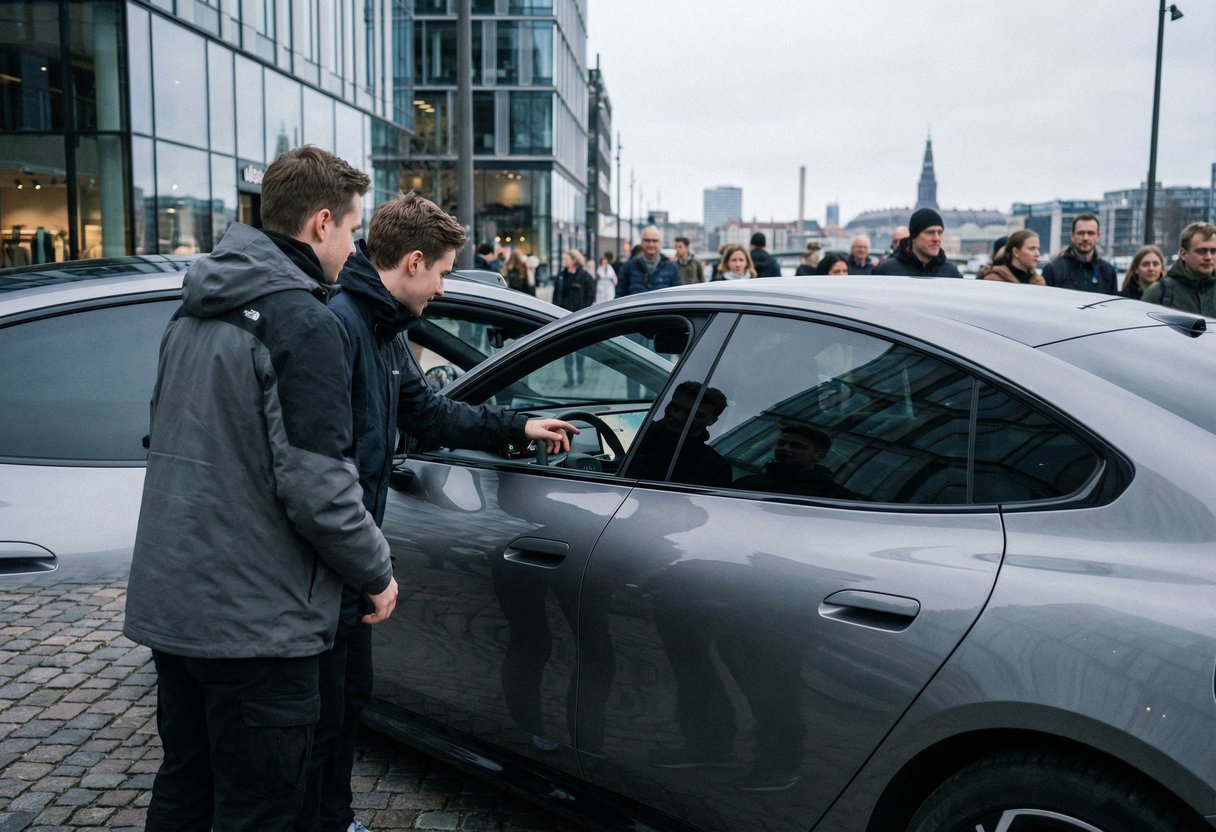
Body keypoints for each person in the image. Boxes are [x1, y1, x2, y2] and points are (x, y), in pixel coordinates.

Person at [123, 146, 399, 832]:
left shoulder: (194, 309)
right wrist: (376, 572)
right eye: (353, 230)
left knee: (186, 789)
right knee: (260, 809)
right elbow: (320, 486)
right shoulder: (300, 321)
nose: (354, 249)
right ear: (321, 223)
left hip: (178, 604)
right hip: (258, 623)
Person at [313, 192, 576, 832]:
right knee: (324, 708)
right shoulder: (342, 327)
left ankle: (330, 817)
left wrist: (517, 426)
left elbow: (429, 414)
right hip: (329, 562)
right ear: (412, 262)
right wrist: (367, 566)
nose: (442, 287)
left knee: (347, 698)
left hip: (347, 556)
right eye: (442, 272)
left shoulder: (381, 328)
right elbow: (322, 470)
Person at [628, 382, 731, 486]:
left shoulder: (714, 467)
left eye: (694, 414)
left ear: (712, 420)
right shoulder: (635, 431)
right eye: (675, 407)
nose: (678, 416)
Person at [734, 425, 852, 499]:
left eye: (797, 446)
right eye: (781, 443)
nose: (785, 448)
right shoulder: (746, 485)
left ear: (819, 455)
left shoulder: (836, 497)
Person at [1141, 222, 1216, 315]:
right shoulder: (1159, 293)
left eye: (1213, 251)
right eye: (1201, 251)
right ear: (1183, 254)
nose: (1208, 257)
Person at [872, 208, 962, 278]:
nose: (936, 238)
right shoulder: (887, 270)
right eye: (930, 232)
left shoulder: (951, 273)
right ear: (914, 236)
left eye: (940, 233)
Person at [1041, 213, 1117, 294]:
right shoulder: (1053, 270)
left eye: (1090, 233)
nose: (1085, 238)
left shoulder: (1108, 272)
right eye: (1081, 233)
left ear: (1098, 237)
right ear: (1072, 236)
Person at [556, 249, 597, 385]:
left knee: (580, 350)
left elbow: (590, 296)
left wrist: (583, 311)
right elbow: (556, 295)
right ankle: (570, 379)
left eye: (566, 258)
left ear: (574, 260)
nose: (564, 261)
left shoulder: (585, 276)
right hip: (563, 317)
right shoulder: (561, 276)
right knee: (566, 351)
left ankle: (580, 375)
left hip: (580, 318)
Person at [618, 226, 680, 295]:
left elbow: (677, 295)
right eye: (647, 240)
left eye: (654, 241)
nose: (651, 244)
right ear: (641, 242)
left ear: (660, 243)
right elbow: (619, 296)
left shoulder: (671, 267)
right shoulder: (628, 267)